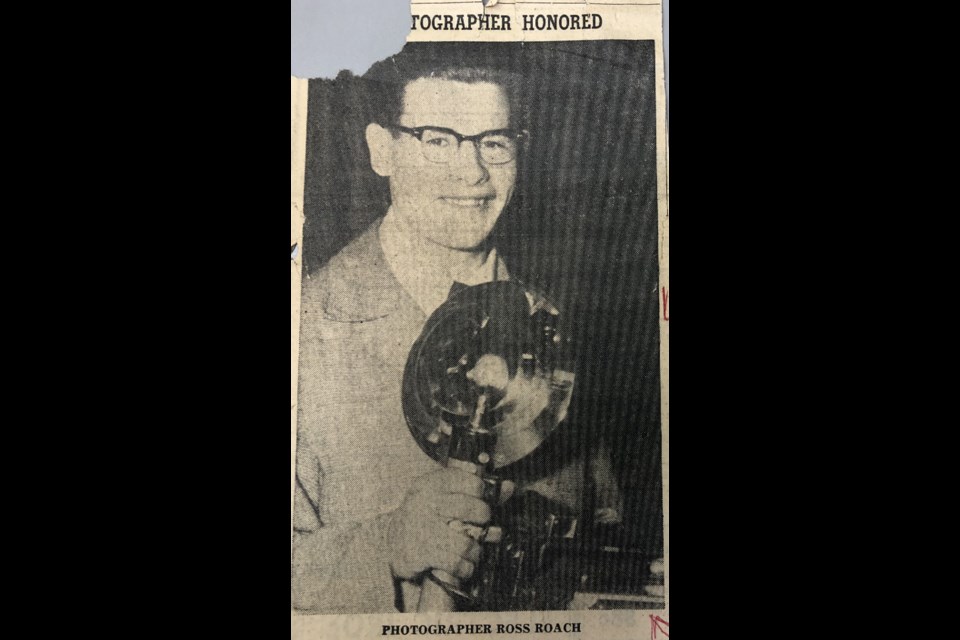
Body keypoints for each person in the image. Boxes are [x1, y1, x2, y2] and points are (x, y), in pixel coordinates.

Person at [292, 53, 622, 614]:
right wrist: (388, 548)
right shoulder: (307, 329)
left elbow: (605, 536)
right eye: (438, 139)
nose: (471, 173)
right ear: (382, 150)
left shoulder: (557, 330)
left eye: (494, 142)